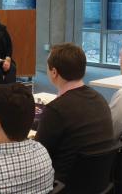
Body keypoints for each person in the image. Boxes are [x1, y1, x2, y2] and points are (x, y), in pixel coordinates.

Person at [35, 43, 114, 184]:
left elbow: (37, 156)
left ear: (54, 72)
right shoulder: (100, 98)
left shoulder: (56, 110)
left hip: (64, 184)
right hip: (99, 181)